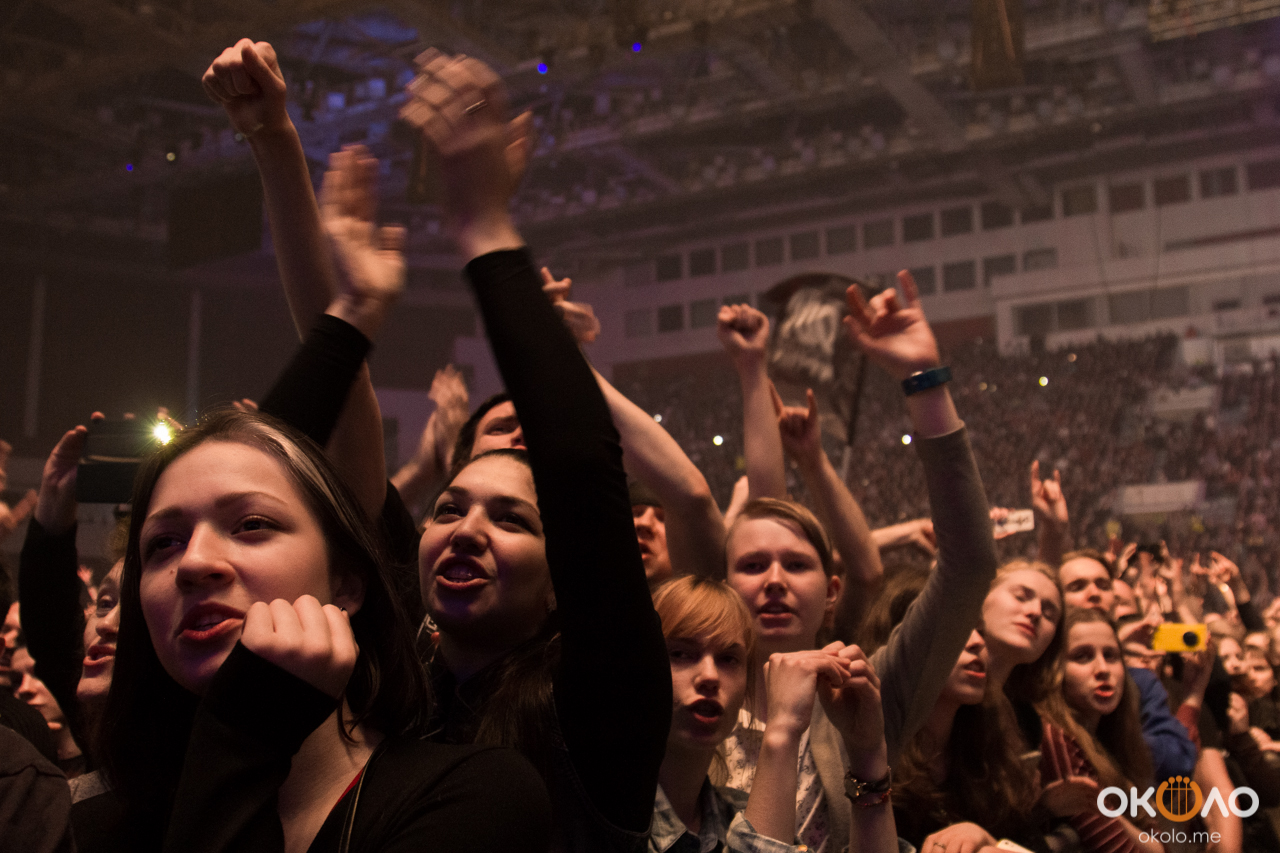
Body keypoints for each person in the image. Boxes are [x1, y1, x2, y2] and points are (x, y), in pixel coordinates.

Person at [401, 51, 670, 852]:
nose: (467, 530)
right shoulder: (387, 700)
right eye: (449, 508)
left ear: (561, 582)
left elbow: (582, 467)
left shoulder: (600, 706)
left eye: (512, 518)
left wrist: (483, 228)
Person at [76, 410, 551, 853]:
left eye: (251, 524)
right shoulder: (90, 823)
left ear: (345, 585)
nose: (193, 563)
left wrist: (242, 734)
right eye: (164, 543)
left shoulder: (474, 796)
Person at [650, 576, 900, 853]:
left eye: (728, 659)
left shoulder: (740, 816)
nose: (710, 676)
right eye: (680, 654)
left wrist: (867, 753)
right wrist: (782, 729)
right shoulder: (615, 821)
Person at [1034, 608, 1161, 853]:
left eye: (1111, 656)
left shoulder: (1112, 738)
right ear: (1054, 669)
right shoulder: (1056, 736)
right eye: (1082, 657)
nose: (1103, 669)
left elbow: (1159, 840)